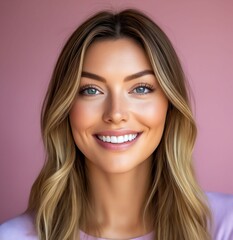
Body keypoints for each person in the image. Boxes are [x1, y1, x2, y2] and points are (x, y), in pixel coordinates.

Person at [0, 9, 233, 240]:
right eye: (91, 90)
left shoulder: (226, 225)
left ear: (170, 105)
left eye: (141, 88)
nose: (116, 113)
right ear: (66, 107)